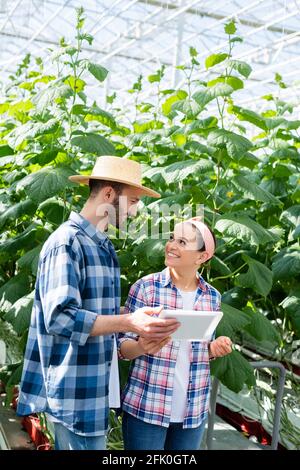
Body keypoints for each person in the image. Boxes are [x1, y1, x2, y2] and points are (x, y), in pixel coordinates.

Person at [17, 155, 180, 450]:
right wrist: (129, 321)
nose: (134, 211)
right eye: (131, 201)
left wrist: (137, 315)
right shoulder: (67, 243)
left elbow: (93, 312)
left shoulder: (101, 245)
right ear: (108, 195)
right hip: (75, 391)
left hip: (94, 388)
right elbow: (62, 317)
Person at [118, 218, 232, 450]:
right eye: (171, 238)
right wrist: (141, 347)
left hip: (193, 410)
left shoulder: (212, 297)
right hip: (147, 407)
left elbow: (201, 349)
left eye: (182, 241)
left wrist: (214, 348)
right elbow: (122, 348)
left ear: (202, 257)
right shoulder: (146, 288)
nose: (171, 245)